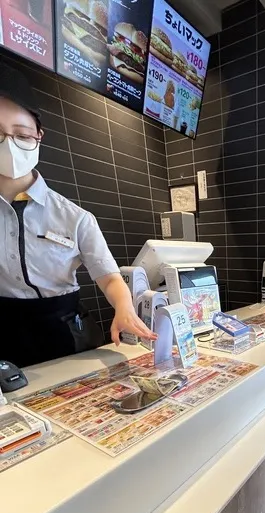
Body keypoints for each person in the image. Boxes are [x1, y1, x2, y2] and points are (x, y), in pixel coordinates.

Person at [0, 63, 155, 368]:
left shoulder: (76, 217)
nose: (9, 144)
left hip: (64, 329)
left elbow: (110, 278)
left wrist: (124, 307)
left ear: (39, 136)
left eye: (21, 134)